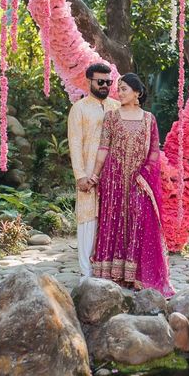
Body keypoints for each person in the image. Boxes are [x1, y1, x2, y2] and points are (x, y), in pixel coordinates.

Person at [89, 73, 174, 297]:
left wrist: (143, 174)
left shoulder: (149, 120)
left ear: (137, 93)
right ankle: (112, 274)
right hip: (113, 179)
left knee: (138, 222)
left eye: (124, 88)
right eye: (119, 88)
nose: (120, 92)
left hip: (140, 181)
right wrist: (95, 175)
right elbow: (103, 149)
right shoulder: (111, 117)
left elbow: (154, 152)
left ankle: (136, 276)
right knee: (114, 219)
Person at [67, 63, 120, 280]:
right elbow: (75, 143)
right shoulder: (79, 109)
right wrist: (80, 175)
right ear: (88, 81)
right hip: (88, 173)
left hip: (114, 175)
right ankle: (86, 274)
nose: (105, 85)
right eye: (101, 82)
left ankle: (108, 271)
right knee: (88, 220)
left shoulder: (117, 107)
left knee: (111, 220)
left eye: (109, 82)